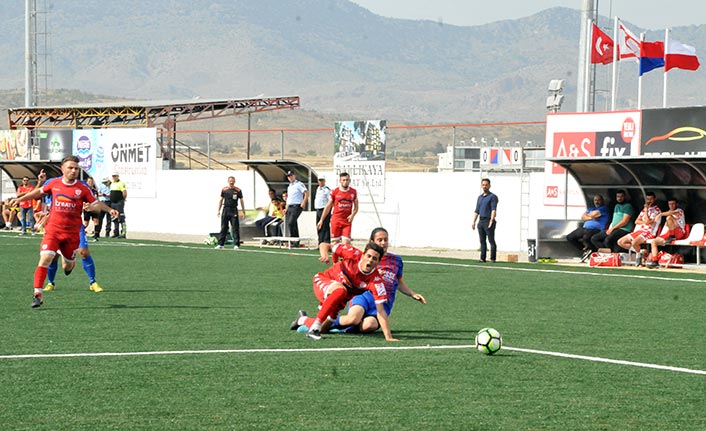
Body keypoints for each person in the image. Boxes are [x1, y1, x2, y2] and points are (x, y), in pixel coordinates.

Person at [10, 156, 117, 308]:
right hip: (53, 230)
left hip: (72, 233)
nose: (73, 171)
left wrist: (100, 208)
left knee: (68, 266)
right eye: (70, 168)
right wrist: (20, 199)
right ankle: (38, 294)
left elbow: (96, 204)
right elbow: (38, 193)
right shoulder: (53, 184)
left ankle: (69, 261)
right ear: (62, 169)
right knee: (45, 258)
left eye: (76, 168)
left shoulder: (82, 188)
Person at [302, 227, 426, 334]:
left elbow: (398, 281)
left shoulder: (396, 260)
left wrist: (411, 293)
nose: (383, 243)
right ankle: (315, 323)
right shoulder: (363, 257)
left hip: (384, 299)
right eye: (379, 240)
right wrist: (326, 256)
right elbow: (327, 246)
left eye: (385, 239)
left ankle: (327, 325)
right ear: (372, 242)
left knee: (368, 326)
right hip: (365, 295)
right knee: (353, 319)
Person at [290, 241, 395, 341]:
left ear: (378, 262)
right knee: (341, 291)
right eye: (368, 256)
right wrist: (325, 255)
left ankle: (302, 319)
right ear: (363, 255)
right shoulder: (352, 253)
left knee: (324, 329)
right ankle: (314, 330)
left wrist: (388, 337)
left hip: (340, 300)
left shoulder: (376, 281)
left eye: (374, 259)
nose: (370, 260)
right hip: (324, 280)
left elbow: (381, 311)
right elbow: (324, 245)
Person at [45, 205, 105, 293]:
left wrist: (91, 206)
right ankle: (50, 283)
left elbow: (95, 204)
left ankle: (93, 282)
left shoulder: (81, 191)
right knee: (54, 256)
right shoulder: (54, 191)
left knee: (83, 252)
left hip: (76, 226)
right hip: (58, 226)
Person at [317, 172, 358, 262]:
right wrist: (321, 220)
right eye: (343, 180)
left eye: (347, 180)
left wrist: (352, 215)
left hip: (347, 222)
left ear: (349, 180)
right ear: (340, 181)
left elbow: (356, 207)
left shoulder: (353, 192)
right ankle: (335, 265)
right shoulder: (335, 191)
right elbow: (328, 206)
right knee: (335, 244)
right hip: (336, 220)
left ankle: (344, 265)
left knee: (346, 244)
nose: (345, 182)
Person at [617, 191, 662, 262]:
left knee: (634, 242)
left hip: (650, 232)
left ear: (654, 199)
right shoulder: (643, 210)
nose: (649, 201)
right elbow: (636, 221)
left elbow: (647, 221)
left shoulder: (657, 211)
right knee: (620, 242)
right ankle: (641, 251)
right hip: (640, 231)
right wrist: (645, 221)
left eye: (651, 199)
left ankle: (639, 258)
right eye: (648, 199)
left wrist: (646, 210)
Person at [566, 194, 610, 262]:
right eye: (595, 200)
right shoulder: (591, 209)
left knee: (586, 237)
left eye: (599, 200)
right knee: (570, 237)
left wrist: (589, 216)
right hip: (585, 228)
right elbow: (583, 217)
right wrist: (591, 217)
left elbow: (593, 214)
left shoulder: (604, 208)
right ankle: (585, 249)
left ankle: (592, 252)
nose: (597, 202)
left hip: (597, 229)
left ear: (602, 201)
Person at [646, 197, 687, 268]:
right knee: (654, 242)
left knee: (668, 217)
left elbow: (670, 213)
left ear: (676, 204)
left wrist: (660, 214)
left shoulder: (679, 211)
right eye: (670, 204)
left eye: (673, 204)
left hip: (679, 232)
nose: (671, 205)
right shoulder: (668, 213)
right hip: (668, 233)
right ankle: (655, 261)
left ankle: (672, 236)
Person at [472, 178, 499, 263]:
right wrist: (474, 221)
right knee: (482, 240)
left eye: (486, 185)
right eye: (483, 185)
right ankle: (482, 258)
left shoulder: (492, 197)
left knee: (491, 240)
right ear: (481, 186)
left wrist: (491, 220)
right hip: (481, 221)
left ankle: (492, 258)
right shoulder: (479, 197)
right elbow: (477, 210)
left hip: (488, 220)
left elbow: (493, 209)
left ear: (489, 186)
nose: (484, 186)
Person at [215, 176, 245, 250]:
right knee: (224, 227)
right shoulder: (224, 189)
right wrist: (218, 210)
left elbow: (241, 200)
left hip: (233, 210)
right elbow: (221, 200)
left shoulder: (238, 190)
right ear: (228, 181)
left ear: (234, 181)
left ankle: (236, 245)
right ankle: (221, 244)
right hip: (226, 209)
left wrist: (243, 211)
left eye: (232, 181)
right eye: (230, 181)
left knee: (235, 228)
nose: (231, 182)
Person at [284, 170, 309, 248]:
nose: (290, 177)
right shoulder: (289, 186)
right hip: (290, 206)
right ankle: (295, 241)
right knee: (293, 223)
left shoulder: (299, 184)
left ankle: (293, 239)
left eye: (291, 176)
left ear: (294, 176)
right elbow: (289, 198)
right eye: (289, 176)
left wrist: (304, 202)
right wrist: (286, 208)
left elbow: (306, 193)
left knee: (291, 222)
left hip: (297, 205)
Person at [314, 177, 332, 246]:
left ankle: (326, 242)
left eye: (322, 180)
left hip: (324, 209)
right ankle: (320, 242)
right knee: (319, 226)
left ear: (324, 181)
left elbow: (330, 201)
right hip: (318, 209)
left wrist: (329, 210)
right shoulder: (318, 189)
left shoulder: (327, 190)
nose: (320, 182)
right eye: (319, 180)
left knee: (325, 226)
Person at [109, 172, 127, 238]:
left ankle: (123, 233)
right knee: (114, 218)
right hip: (113, 203)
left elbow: (124, 192)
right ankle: (116, 232)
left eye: (115, 176)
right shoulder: (112, 183)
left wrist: (123, 199)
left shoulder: (121, 183)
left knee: (121, 217)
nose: (114, 177)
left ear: (118, 176)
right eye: (113, 176)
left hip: (119, 202)